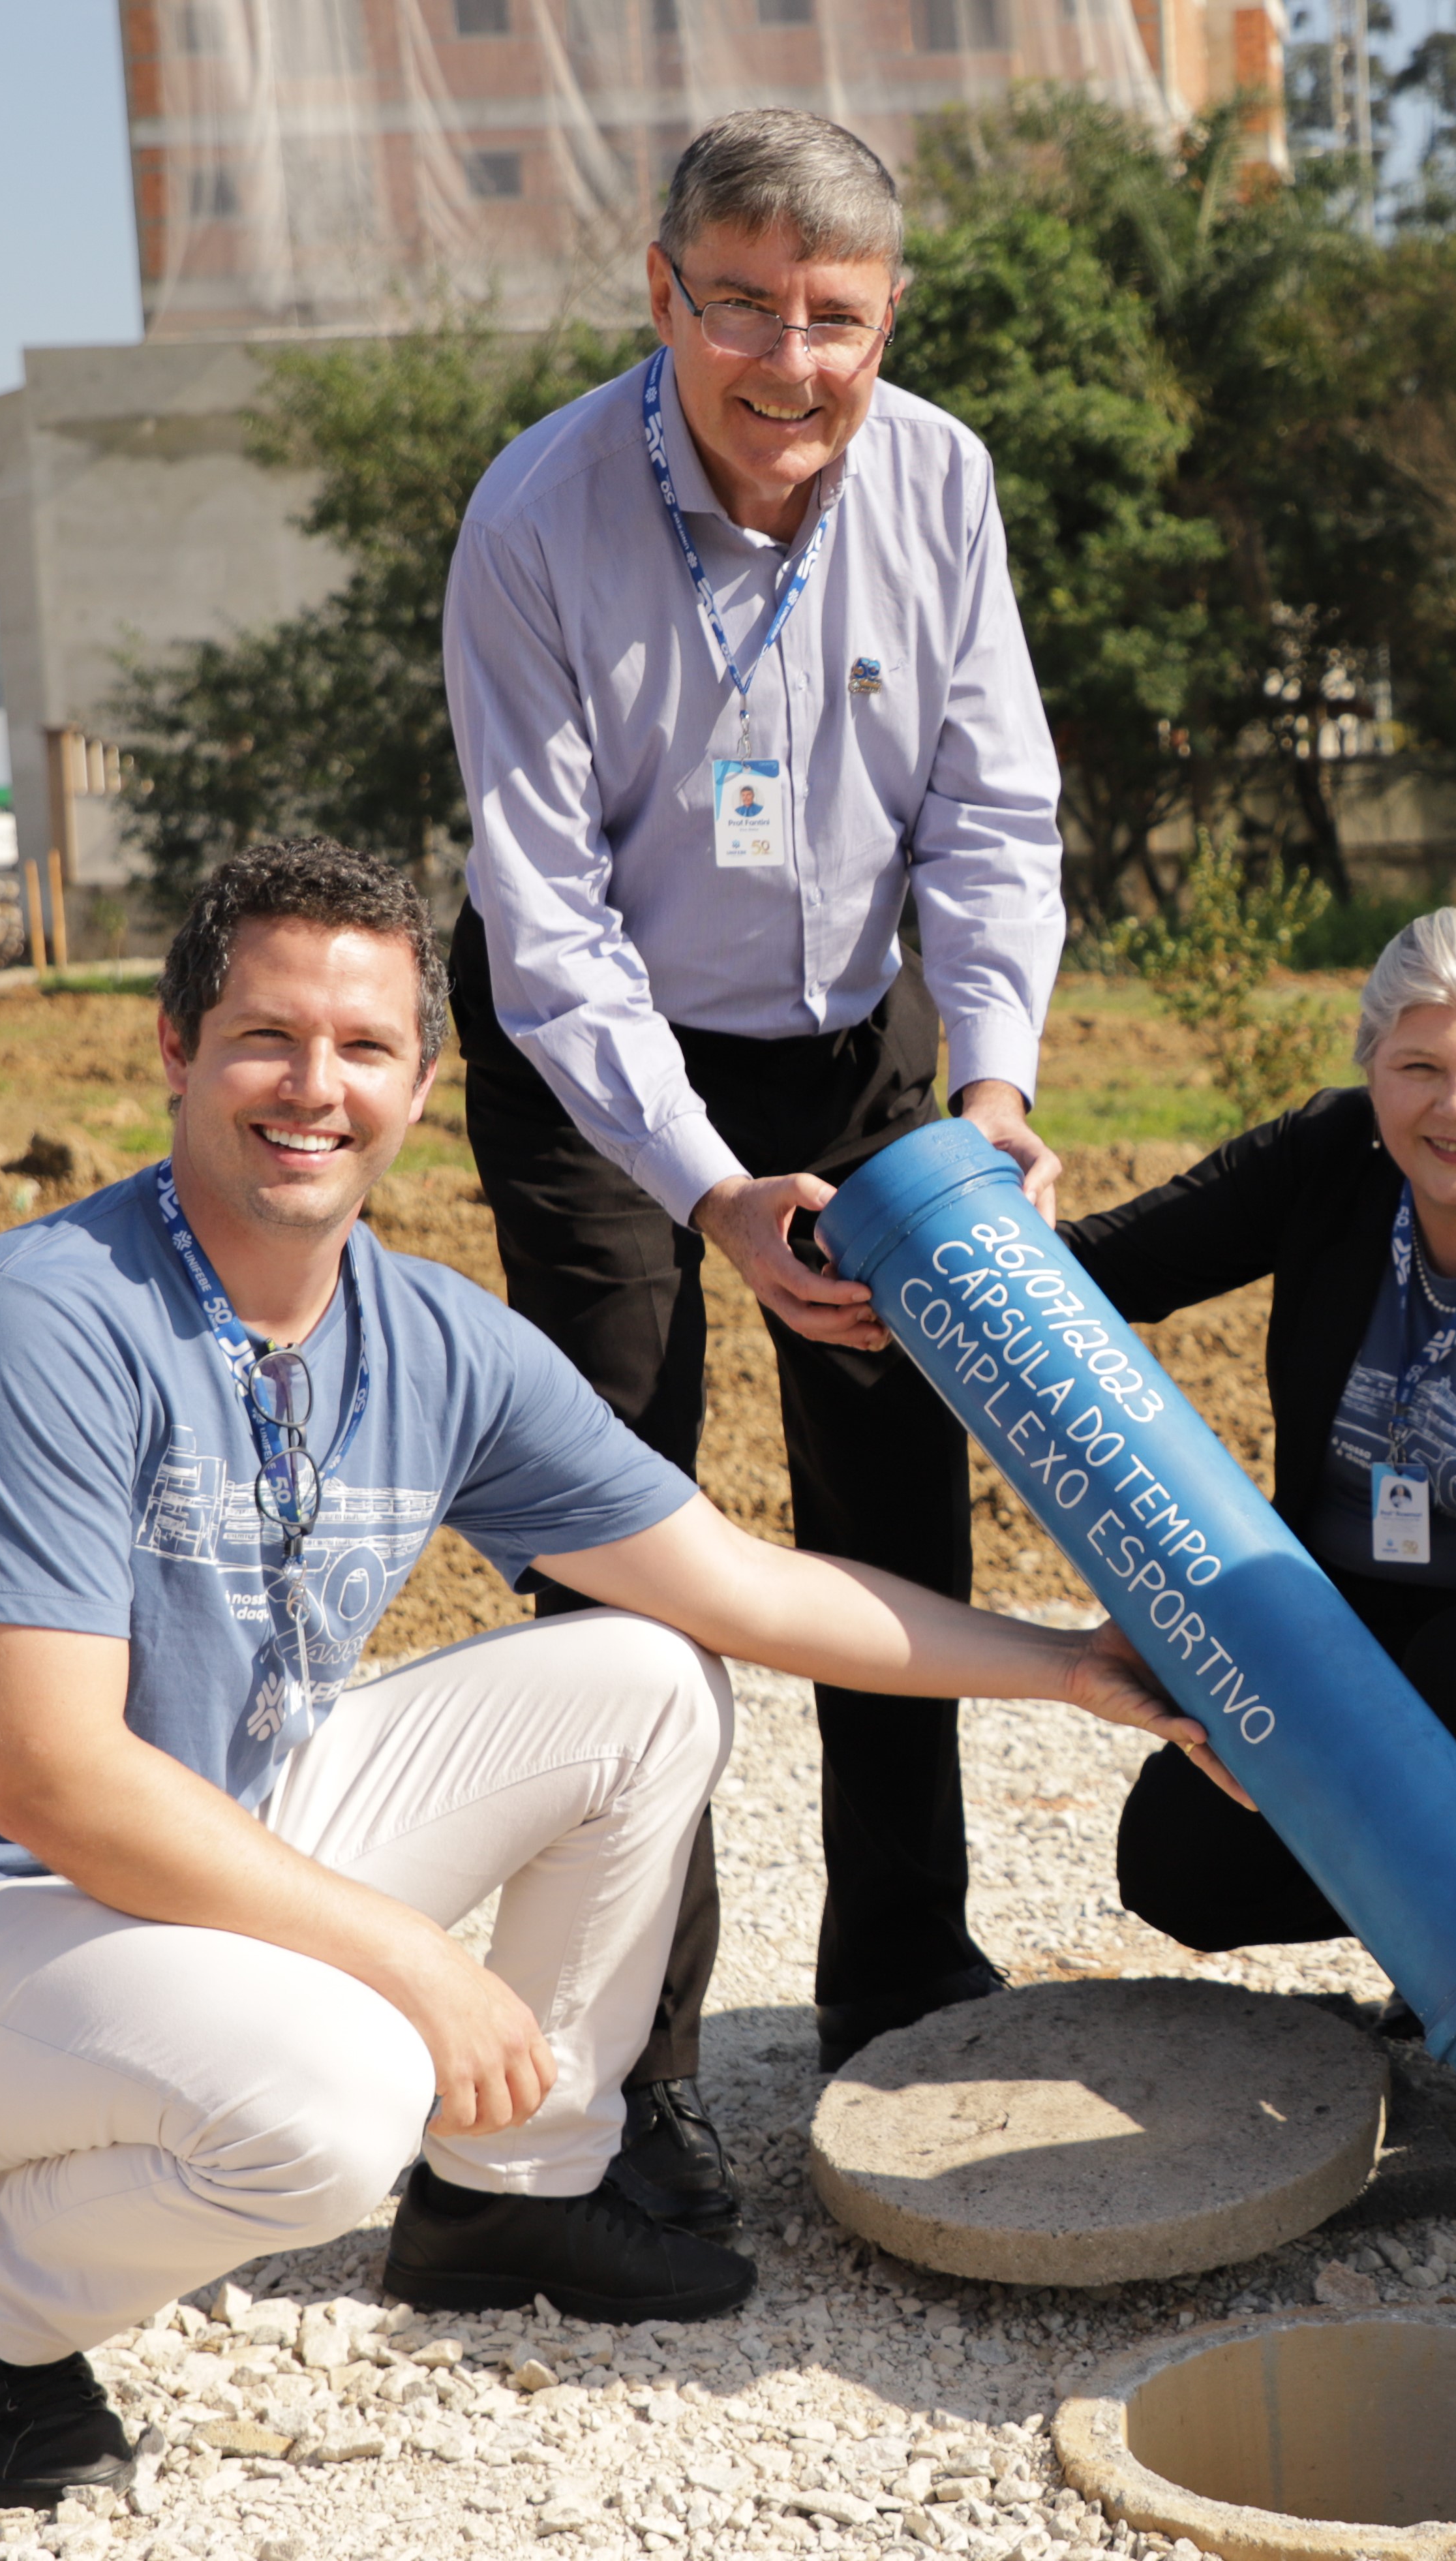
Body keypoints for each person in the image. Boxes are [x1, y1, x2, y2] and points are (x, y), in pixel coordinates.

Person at [0, 845, 1221, 2512]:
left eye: (365, 1048)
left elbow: (735, 1583)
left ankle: (512, 2192)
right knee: (336, 2094)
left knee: (646, 1676)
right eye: (266, 1038)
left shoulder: (430, 1340)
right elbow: (53, 1783)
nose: (315, 1088)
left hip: (197, 1834)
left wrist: (1069, 1669)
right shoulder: (35, 1328)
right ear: (174, 1047)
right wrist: (417, 1969)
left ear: (422, 1083)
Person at [443, 106, 1067, 2240]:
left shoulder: (943, 481)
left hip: (861, 1027)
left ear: (886, 322)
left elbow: (990, 818)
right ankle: (645, 2062)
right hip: (596, 1037)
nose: (789, 364)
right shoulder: (538, 520)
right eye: (743, 308)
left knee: (892, 1475)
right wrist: (707, 1186)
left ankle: (905, 1973)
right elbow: (542, 923)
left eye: (837, 320)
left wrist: (992, 1086)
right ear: (662, 295)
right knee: (624, 1529)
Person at [1058, 903, 1456, 2164]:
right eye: (1417, 1065)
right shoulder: (1328, 1158)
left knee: (1454, 1690)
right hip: (1347, 1613)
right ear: (1370, 1073)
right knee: (1180, 1862)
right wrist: (928, 1236)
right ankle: (1437, 1951)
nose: (1454, 1106)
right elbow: (1103, 1272)